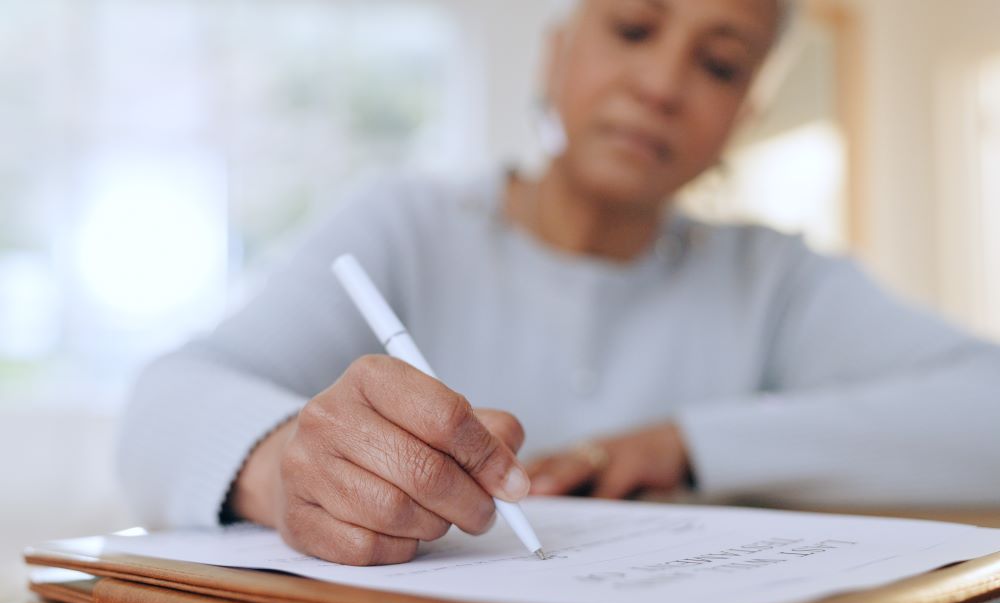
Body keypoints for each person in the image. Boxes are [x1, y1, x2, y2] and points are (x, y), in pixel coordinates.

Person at [118, 0, 1000, 566]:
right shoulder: (407, 226)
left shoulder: (772, 278)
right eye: (634, 28)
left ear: (745, 116)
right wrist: (283, 468)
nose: (662, 85)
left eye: (720, 64)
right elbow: (163, 401)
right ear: (555, 53)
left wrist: (685, 444)